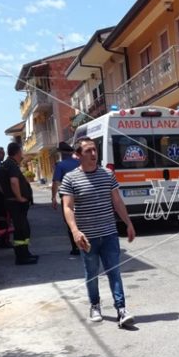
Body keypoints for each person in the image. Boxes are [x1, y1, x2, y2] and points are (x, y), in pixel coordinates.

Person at [60, 137, 136, 326]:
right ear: (78, 155)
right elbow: (68, 207)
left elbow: (117, 201)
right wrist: (75, 231)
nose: (93, 154)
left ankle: (121, 309)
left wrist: (128, 223)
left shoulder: (107, 174)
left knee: (114, 272)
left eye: (94, 150)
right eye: (88, 151)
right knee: (91, 274)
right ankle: (95, 305)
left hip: (109, 233)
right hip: (87, 237)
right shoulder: (70, 178)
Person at [0, 142, 37, 265]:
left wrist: (8, 195)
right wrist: (19, 197)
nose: (23, 153)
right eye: (21, 151)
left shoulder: (5, 165)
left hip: (12, 202)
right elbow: (14, 182)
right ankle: (21, 257)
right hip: (16, 204)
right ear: (17, 152)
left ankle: (25, 253)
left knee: (24, 229)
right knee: (21, 230)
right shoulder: (12, 165)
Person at [51, 141, 81, 255]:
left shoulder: (60, 165)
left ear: (62, 153)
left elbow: (56, 183)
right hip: (82, 196)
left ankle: (76, 248)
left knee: (70, 222)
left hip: (68, 198)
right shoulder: (80, 163)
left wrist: (53, 198)